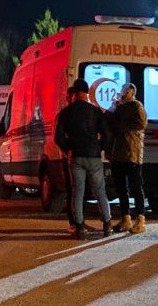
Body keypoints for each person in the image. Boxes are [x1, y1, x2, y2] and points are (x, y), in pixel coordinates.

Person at [54, 79, 112, 239]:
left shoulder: (66, 112)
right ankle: (107, 224)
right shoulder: (95, 111)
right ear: (86, 93)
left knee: (77, 192)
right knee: (100, 191)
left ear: (74, 93)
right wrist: (99, 147)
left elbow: (58, 137)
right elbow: (107, 135)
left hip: (76, 156)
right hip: (94, 156)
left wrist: (68, 149)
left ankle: (79, 226)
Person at [108, 83, 147, 234]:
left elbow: (141, 123)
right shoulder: (119, 107)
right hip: (118, 153)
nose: (121, 93)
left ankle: (140, 219)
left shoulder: (136, 105)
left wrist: (120, 124)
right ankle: (126, 218)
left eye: (124, 91)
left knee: (136, 187)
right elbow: (110, 124)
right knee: (121, 188)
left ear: (131, 91)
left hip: (132, 153)